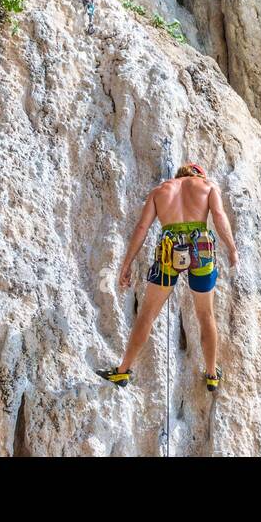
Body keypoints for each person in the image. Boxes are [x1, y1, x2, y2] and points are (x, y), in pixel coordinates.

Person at [96, 162, 238, 392]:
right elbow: (220, 216)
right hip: (200, 248)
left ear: (179, 174)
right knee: (205, 314)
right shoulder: (208, 186)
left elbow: (142, 227)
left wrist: (127, 263)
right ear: (199, 175)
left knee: (147, 314)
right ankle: (212, 373)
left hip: (169, 249)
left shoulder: (160, 191)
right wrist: (232, 249)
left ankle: (122, 371)